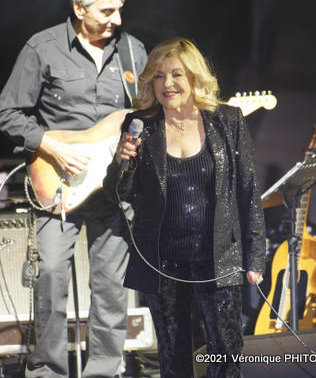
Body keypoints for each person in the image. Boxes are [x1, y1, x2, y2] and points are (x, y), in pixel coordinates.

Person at [0, 0, 147, 378]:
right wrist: (53, 146)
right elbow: (7, 113)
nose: (117, 20)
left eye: (120, 9)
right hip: (58, 183)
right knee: (50, 277)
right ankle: (47, 371)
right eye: (107, 11)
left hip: (114, 188)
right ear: (80, 8)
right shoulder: (42, 48)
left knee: (111, 287)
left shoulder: (133, 51)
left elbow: (142, 116)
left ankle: (104, 371)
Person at [103, 37, 266, 378]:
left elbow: (249, 191)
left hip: (217, 257)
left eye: (176, 74)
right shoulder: (140, 125)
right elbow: (118, 194)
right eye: (159, 76)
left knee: (226, 353)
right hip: (164, 260)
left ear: (194, 77)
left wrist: (254, 257)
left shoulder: (227, 121)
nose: (167, 84)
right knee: (172, 358)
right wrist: (120, 164)